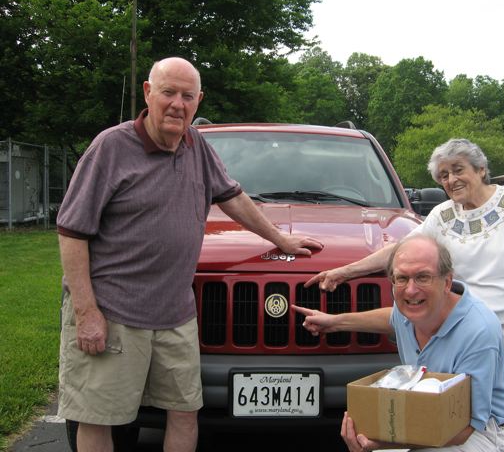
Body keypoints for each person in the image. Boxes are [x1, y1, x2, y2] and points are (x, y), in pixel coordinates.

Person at [56, 57, 323, 452]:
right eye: (168, 93)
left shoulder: (197, 145)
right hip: (114, 313)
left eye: (187, 96)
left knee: (184, 412)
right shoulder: (110, 148)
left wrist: (279, 239)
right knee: (99, 417)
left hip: (176, 316)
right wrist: (86, 312)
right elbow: (71, 232)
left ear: (199, 101)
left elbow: (231, 196)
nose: (177, 104)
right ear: (149, 93)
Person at [304, 138, 504, 452]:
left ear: (481, 169)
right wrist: (344, 272)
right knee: (458, 410)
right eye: (443, 175)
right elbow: (398, 252)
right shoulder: (443, 216)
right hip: (462, 329)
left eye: (458, 170)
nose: (451, 180)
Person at [294, 235, 504, 452]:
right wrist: (333, 322)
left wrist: (383, 443)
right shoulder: (411, 310)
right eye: (402, 278)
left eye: (423, 277)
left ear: (447, 281)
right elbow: (392, 318)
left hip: (482, 434)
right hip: (426, 414)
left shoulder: (478, 331)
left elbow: (465, 427)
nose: (411, 290)